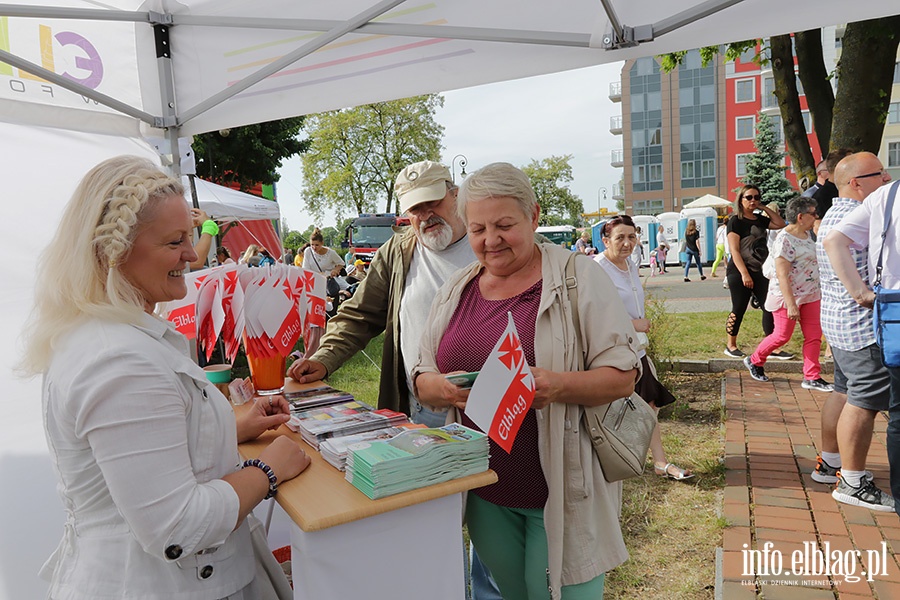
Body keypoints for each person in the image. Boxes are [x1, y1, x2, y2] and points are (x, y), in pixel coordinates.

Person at [18, 156, 311, 599]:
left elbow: (139, 455)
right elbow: (177, 526)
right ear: (113, 252)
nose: (192, 255)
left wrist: (231, 426)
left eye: (190, 238)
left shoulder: (109, 338)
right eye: (175, 242)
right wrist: (268, 469)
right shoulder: (118, 361)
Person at [413, 162, 641, 600]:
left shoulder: (578, 277)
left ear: (533, 216)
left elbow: (623, 377)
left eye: (504, 225)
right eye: (477, 228)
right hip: (485, 492)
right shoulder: (458, 288)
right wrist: (441, 390)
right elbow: (422, 374)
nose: (490, 240)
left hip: (561, 491)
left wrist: (555, 385)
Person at [287, 160, 503, 599]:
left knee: (492, 518)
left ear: (455, 192)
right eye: (414, 210)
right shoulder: (400, 250)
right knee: (427, 521)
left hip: (492, 405)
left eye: (433, 202)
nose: (426, 215)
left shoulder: (489, 243)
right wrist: (324, 359)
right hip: (421, 410)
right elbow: (360, 314)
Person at [812, 152, 894, 511]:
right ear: (856, 183)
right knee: (864, 402)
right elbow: (836, 247)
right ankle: (852, 481)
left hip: (839, 323)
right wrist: (862, 292)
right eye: (880, 174)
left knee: (844, 392)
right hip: (861, 327)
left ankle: (831, 463)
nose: (888, 179)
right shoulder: (860, 215)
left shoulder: (833, 211)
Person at [596, 215, 693, 481]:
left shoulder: (629, 264)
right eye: (620, 238)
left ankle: (658, 462)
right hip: (611, 350)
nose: (627, 243)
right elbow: (593, 313)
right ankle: (614, 459)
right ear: (605, 240)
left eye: (631, 236)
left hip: (636, 348)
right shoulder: (597, 268)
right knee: (616, 409)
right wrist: (633, 324)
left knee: (649, 405)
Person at [742, 197, 831, 392]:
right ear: (801, 217)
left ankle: (812, 376)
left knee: (814, 336)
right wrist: (791, 304)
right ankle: (754, 360)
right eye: (813, 213)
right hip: (786, 296)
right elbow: (781, 274)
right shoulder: (784, 240)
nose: (817, 216)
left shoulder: (808, 236)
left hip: (810, 295)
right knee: (782, 335)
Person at [723, 185, 786, 358]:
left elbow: (780, 223)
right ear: (741, 199)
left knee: (769, 306)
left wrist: (763, 208)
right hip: (739, 271)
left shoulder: (760, 220)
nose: (753, 201)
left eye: (756, 197)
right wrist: (744, 274)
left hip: (759, 270)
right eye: (749, 197)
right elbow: (734, 251)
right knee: (739, 307)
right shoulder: (735, 221)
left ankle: (772, 345)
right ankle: (731, 345)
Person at [812, 148, 854, 234]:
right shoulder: (821, 196)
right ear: (838, 167)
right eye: (851, 165)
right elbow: (818, 227)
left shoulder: (851, 188)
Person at [682, 218, 706, 282]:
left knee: (688, 262)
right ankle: (701, 275)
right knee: (698, 263)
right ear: (694, 224)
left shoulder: (686, 232)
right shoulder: (696, 232)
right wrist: (699, 250)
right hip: (694, 249)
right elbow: (697, 242)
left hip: (688, 249)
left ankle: (685, 276)